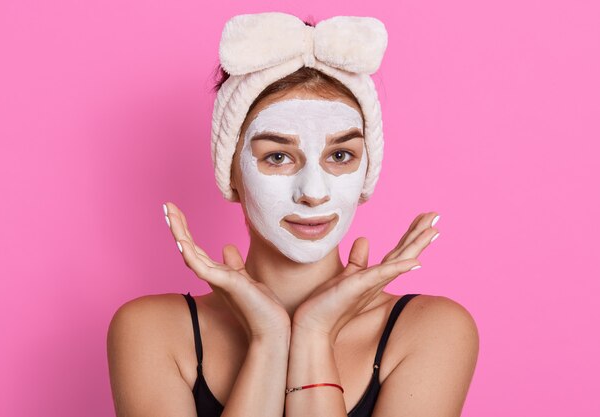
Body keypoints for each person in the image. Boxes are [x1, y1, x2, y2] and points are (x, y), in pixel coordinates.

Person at [107, 12, 479, 417]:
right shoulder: (151, 331)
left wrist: (314, 334)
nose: (313, 193)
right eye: (278, 156)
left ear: (367, 170)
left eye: (340, 155)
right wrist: (269, 339)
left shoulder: (431, 329)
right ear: (231, 171)